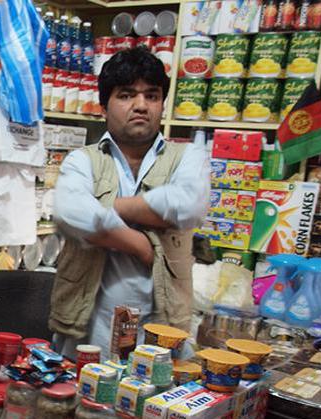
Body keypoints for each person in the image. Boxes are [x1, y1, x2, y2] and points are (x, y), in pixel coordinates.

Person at [49, 47, 209, 360]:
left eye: (151, 95)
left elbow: (188, 204)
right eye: (126, 95)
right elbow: (72, 215)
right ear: (104, 106)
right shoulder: (82, 161)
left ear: (162, 104)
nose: (140, 105)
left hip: (162, 327)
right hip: (90, 325)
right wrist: (142, 246)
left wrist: (112, 209)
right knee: (86, 405)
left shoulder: (188, 157)